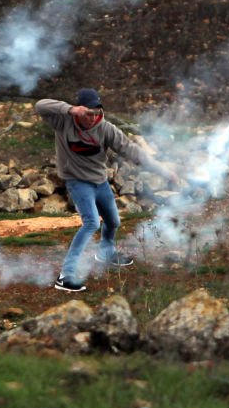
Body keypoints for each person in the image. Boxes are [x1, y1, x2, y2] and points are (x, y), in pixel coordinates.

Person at [36, 88, 178, 292]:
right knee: (91, 223)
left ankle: (106, 253)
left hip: (100, 182)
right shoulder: (62, 121)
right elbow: (40, 105)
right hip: (77, 181)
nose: (92, 117)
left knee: (113, 221)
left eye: (95, 112)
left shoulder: (106, 129)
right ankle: (65, 276)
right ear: (79, 110)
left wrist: (163, 171)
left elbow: (132, 150)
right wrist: (69, 109)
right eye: (87, 112)